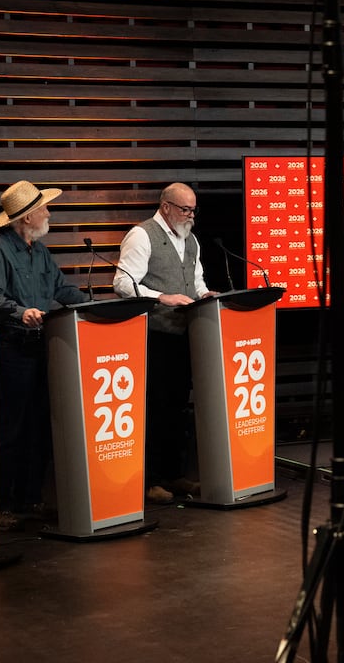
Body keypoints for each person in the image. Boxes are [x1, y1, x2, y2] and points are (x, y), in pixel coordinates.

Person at [0, 180, 89, 530]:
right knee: (10, 430)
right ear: (27, 217)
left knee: (39, 427)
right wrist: (20, 311)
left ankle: (30, 499)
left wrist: (93, 305)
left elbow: (61, 288)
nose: (49, 213)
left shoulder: (40, 251)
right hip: (13, 349)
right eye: (44, 208)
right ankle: (1, 506)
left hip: (43, 346)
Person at [114, 182, 214, 504]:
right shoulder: (142, 235)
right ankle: (150, 480)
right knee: (155, 409)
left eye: (193, 210)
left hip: (185, 335)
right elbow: (122, 283)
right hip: (153, 335)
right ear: (166, 207)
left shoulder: (191, 240)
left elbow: (195, 281)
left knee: (177, 408)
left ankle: (174, 474)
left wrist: (204, 295)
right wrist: (162, 297)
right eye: (185, 210)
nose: (191, 216)